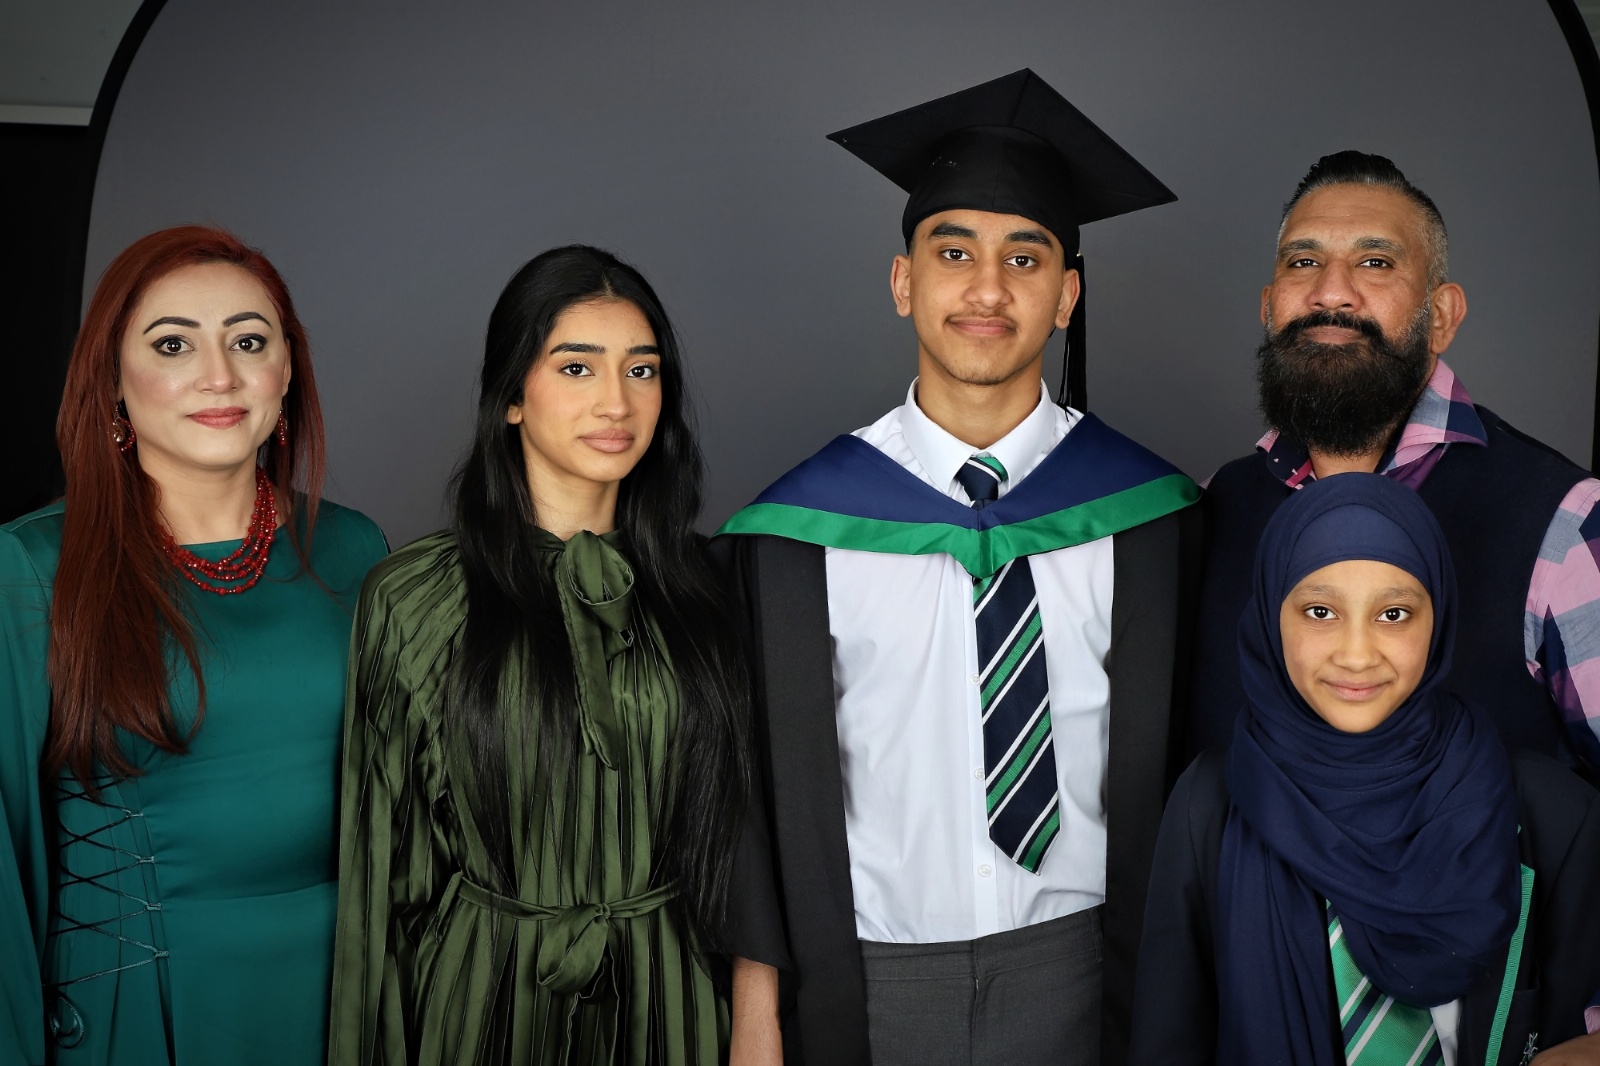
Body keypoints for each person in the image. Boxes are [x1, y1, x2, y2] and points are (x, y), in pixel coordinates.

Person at [715, 70, 1200, 1065]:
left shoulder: (1156, 521)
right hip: (869, 982)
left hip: (1088, 971)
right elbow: (749, 796)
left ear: (1065, 296)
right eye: (953, 252)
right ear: (904, 283)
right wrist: (756, 1016)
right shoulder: (794, 533)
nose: (987, 288)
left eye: (1024, 257)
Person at [327, 245, 779, 1065]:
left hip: (673, 1004)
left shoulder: (712, 588)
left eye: (642, 371)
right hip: (480, 1002)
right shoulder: (414, 596)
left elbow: (752, 838)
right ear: (511, 397)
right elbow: (382, 878)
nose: (616, 401)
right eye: (577, 367)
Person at [0, 225, 389, 1065]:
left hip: (344, 1005)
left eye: (249, 341)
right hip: (134, 1011)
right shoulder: (28, 568)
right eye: (173, 344)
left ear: (288, 371)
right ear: (112, 379)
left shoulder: (357, 550)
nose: (220, 376)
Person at [1131, 473, 1600, 1066]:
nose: (1356, 654)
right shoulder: (1210, 806)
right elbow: (1168, 1042)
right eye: (1320, 611)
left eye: (1394, 613)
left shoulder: (1551, 814)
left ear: (1439, 619)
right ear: (1272, 617)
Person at [1190, 151, 1600, 778]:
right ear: (1269, 307)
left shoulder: (1564, 524)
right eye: (1304, 262)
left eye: (1375, 262)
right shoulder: (1215, 504)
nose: (1331, 292)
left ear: (1441, 317)